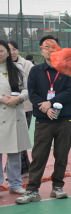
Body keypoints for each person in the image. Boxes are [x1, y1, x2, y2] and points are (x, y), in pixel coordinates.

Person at [16, 36, 71, 204]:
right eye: (46, 48)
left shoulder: (68, 69)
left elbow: (70, 91)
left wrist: (51, 102)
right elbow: (32, 92)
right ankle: (32, 190)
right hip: (43, 120)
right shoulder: (35, 71)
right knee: (39, 156)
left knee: (61, 155)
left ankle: (57, 187)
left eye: (53, 47)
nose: (50, 51)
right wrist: (46, 108)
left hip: (64, 120)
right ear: (41, 51)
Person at [0, 40, 30, 198]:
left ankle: (15, 183)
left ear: (8, 52)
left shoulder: (18, 69)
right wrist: (1, 99)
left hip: (15, 114)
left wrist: (19, 98)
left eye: (1, 50)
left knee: (15, 152)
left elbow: (26, 89)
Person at [8, 40, 34, 177]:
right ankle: (23, 169)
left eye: (14, 49)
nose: (12, 52)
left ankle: (21, 170)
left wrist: (20, 97)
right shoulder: (4, 66)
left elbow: (31, 85)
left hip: (25, 107)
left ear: (18, 50)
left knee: (20, 138)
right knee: (11, 139)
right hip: (7, 108)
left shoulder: (27, 65)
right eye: (9, 50)